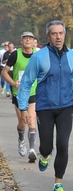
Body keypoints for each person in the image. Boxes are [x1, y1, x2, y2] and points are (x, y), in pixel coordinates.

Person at [17, 20, 73, 191]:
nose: (58, 37)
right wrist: (24, 107)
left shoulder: (72, 56)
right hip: (45, 107)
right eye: (54, 34)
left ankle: (58, 185)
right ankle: (45, 155)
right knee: (47, 147)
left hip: (65, 107)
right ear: (48, 36)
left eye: (61, 33)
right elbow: (26, 83)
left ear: (65, 35)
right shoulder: (39, 57)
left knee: (63, 145)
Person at [1, 32, 38, 162]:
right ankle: (21, 138)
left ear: (34, 41)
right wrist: (12, 83)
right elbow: (4, 73)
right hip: (19, 94)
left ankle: (32, 149)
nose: (27, 40)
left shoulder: (38, 54)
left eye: (30, 38)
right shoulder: (15, 54)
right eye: (25, 38)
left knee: (32, 119)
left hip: (33, 92)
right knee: (23, 122)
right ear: (21, 41)